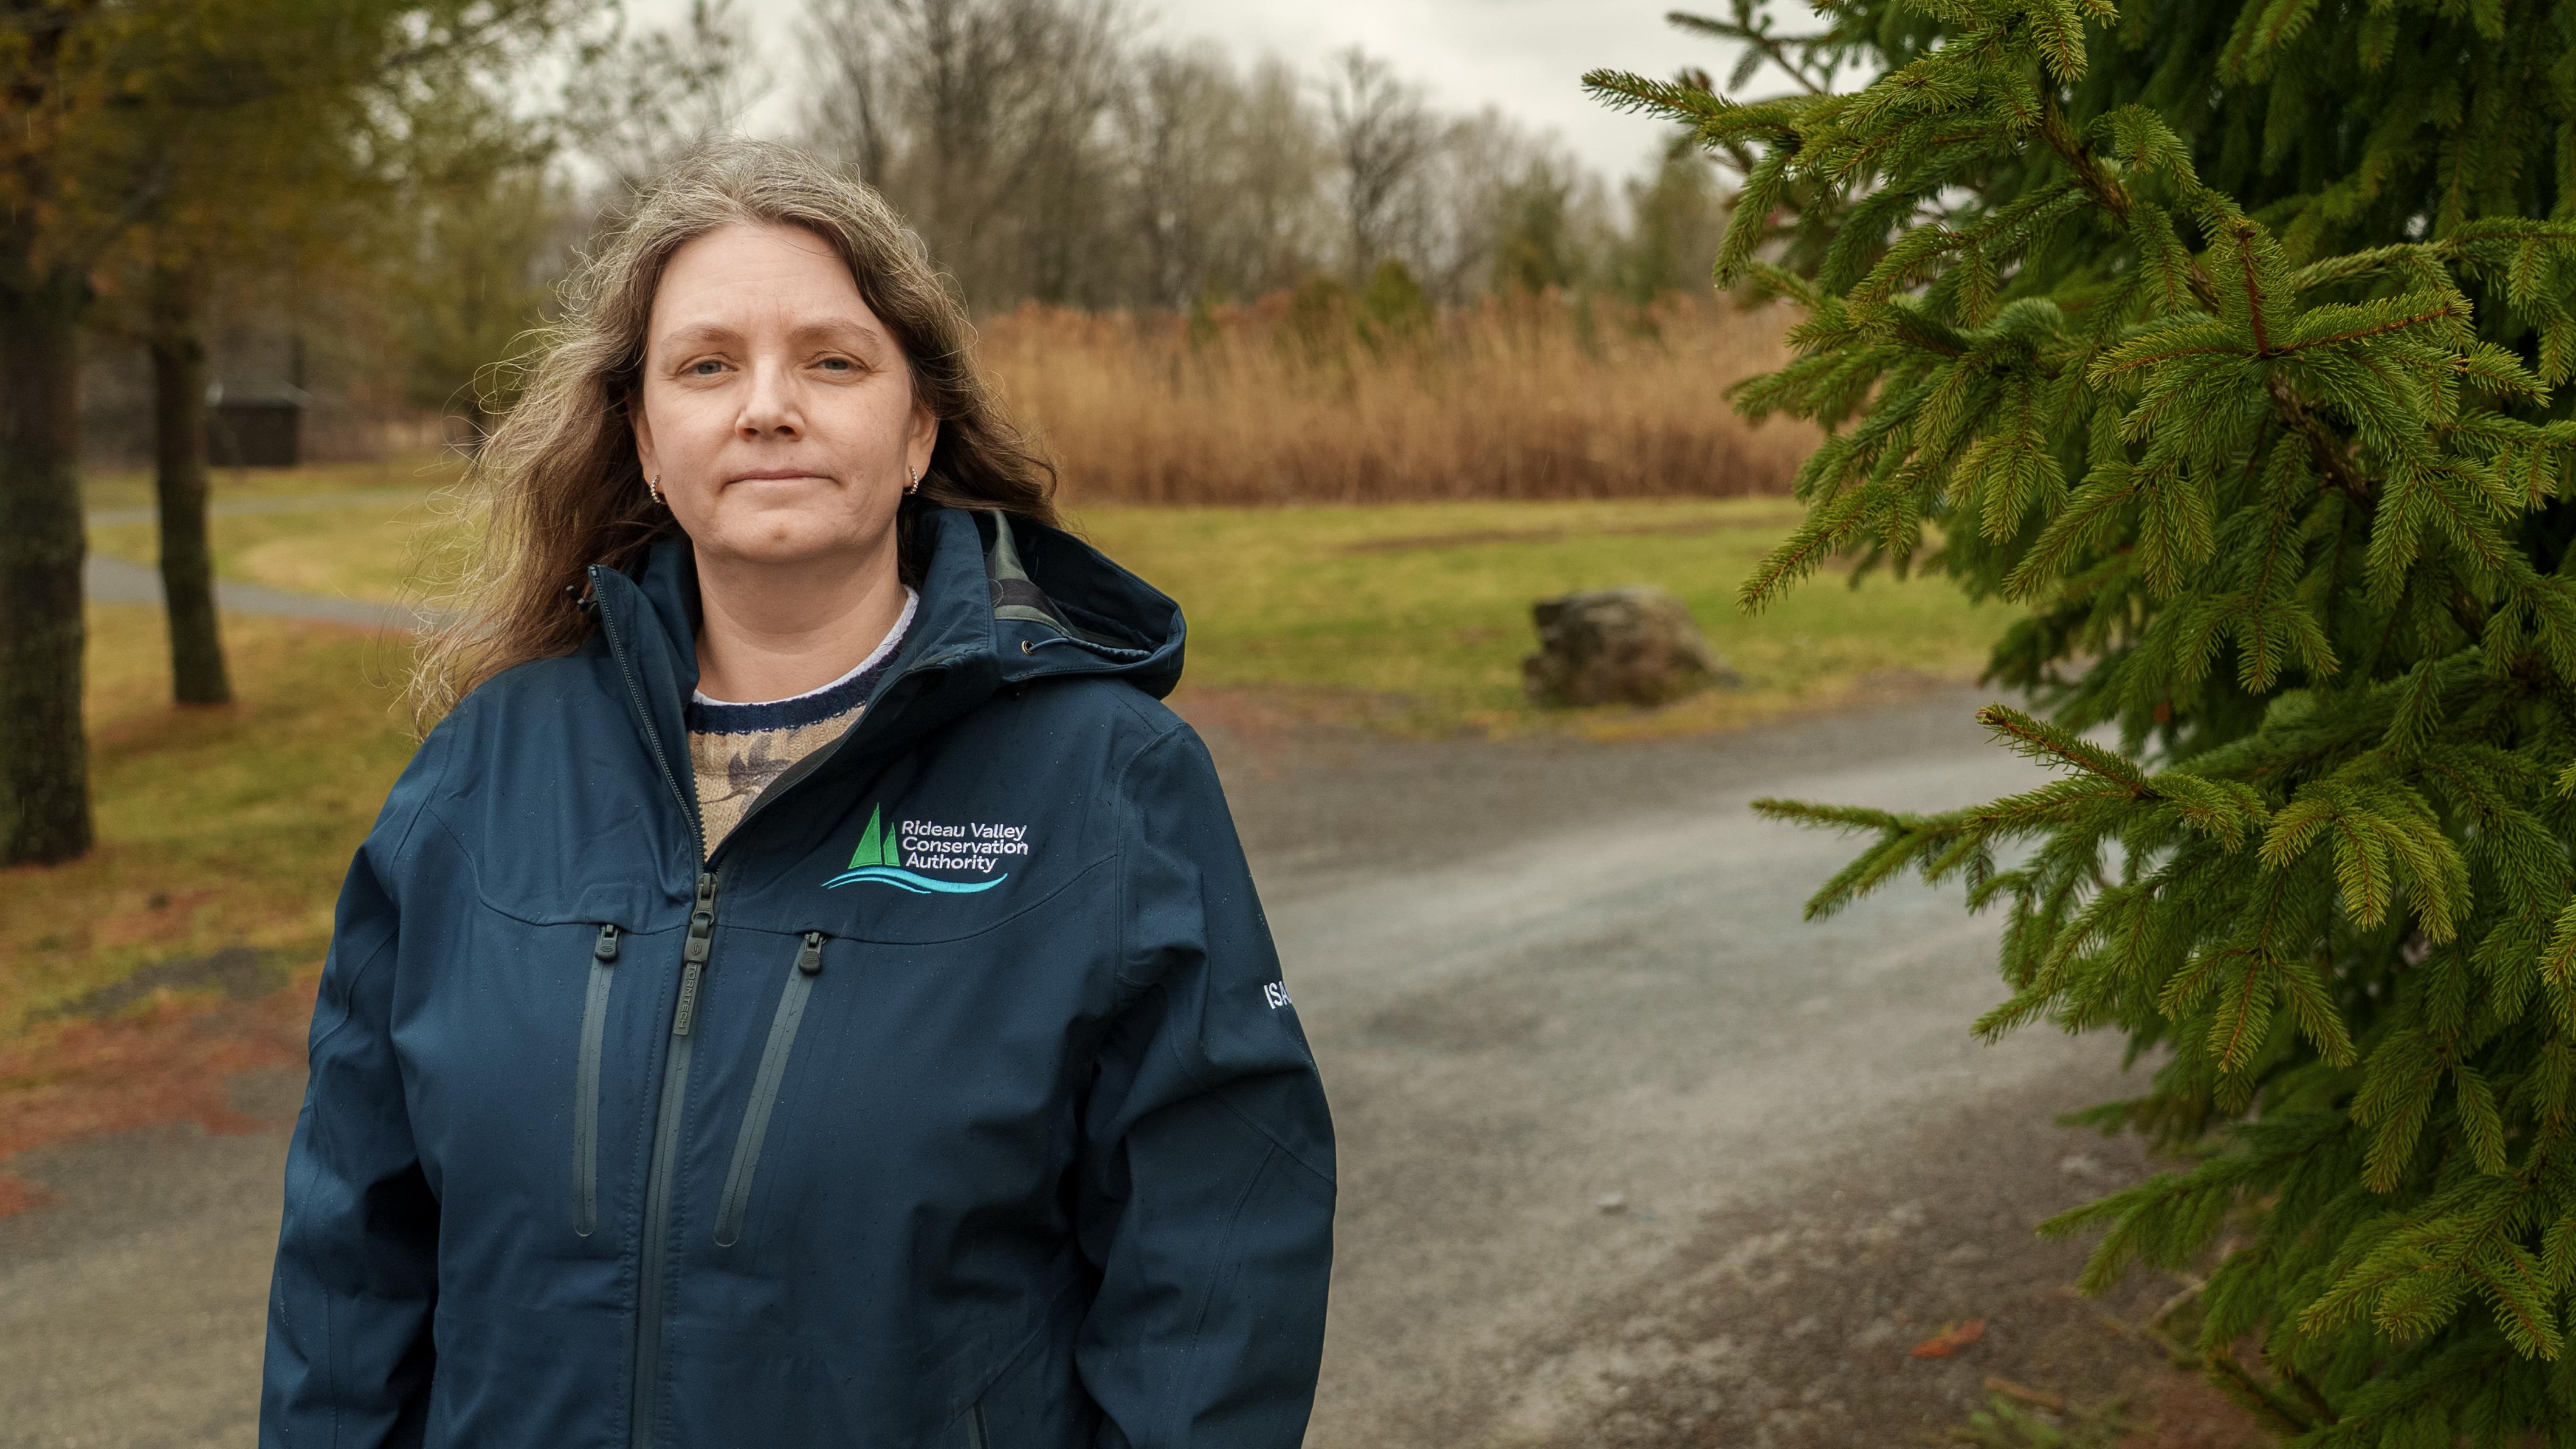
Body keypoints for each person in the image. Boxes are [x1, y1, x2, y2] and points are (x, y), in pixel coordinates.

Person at [259, 137, 1335, 1448]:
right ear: (647, 439)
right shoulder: (480, 777)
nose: (768, 406)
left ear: (918, 427)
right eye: (707, 365)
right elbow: (349, 1258)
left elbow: (1216, 1269)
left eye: (831, 360)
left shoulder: (1106, 784)